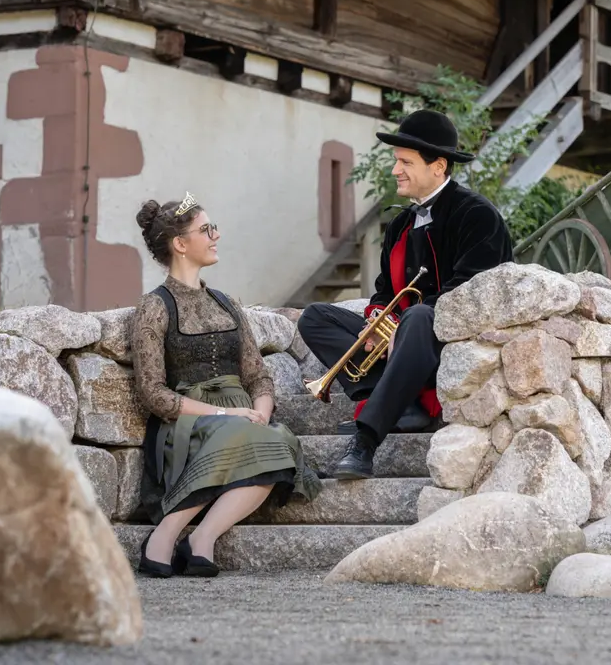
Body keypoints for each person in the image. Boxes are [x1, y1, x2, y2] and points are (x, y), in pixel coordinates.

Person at [297, 109, 514, 479]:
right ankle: (403, 405)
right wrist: (377, 318)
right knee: (315, 317)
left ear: (438, 166)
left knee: (418, 316)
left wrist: (404, 322)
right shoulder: (401, 223)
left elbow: (472, 291)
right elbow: (385, 290)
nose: (395, 170)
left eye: (405, 162)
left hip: (452, 342)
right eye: (396, 161)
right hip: (404, 339)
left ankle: (366, 440)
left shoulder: (477, 215)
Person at [130, 191, 322, 578]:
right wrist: (224, 414)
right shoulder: (154, 307)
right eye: (206, 230)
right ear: (180, 244)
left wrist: (261, 412)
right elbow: (153, 393)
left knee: (276, 439)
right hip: (187, 423)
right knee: (254, 437)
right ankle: (165, 533)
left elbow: (257, 375)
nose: (216, 235)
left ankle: (202, 538)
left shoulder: (227, 303)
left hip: (242, 419)